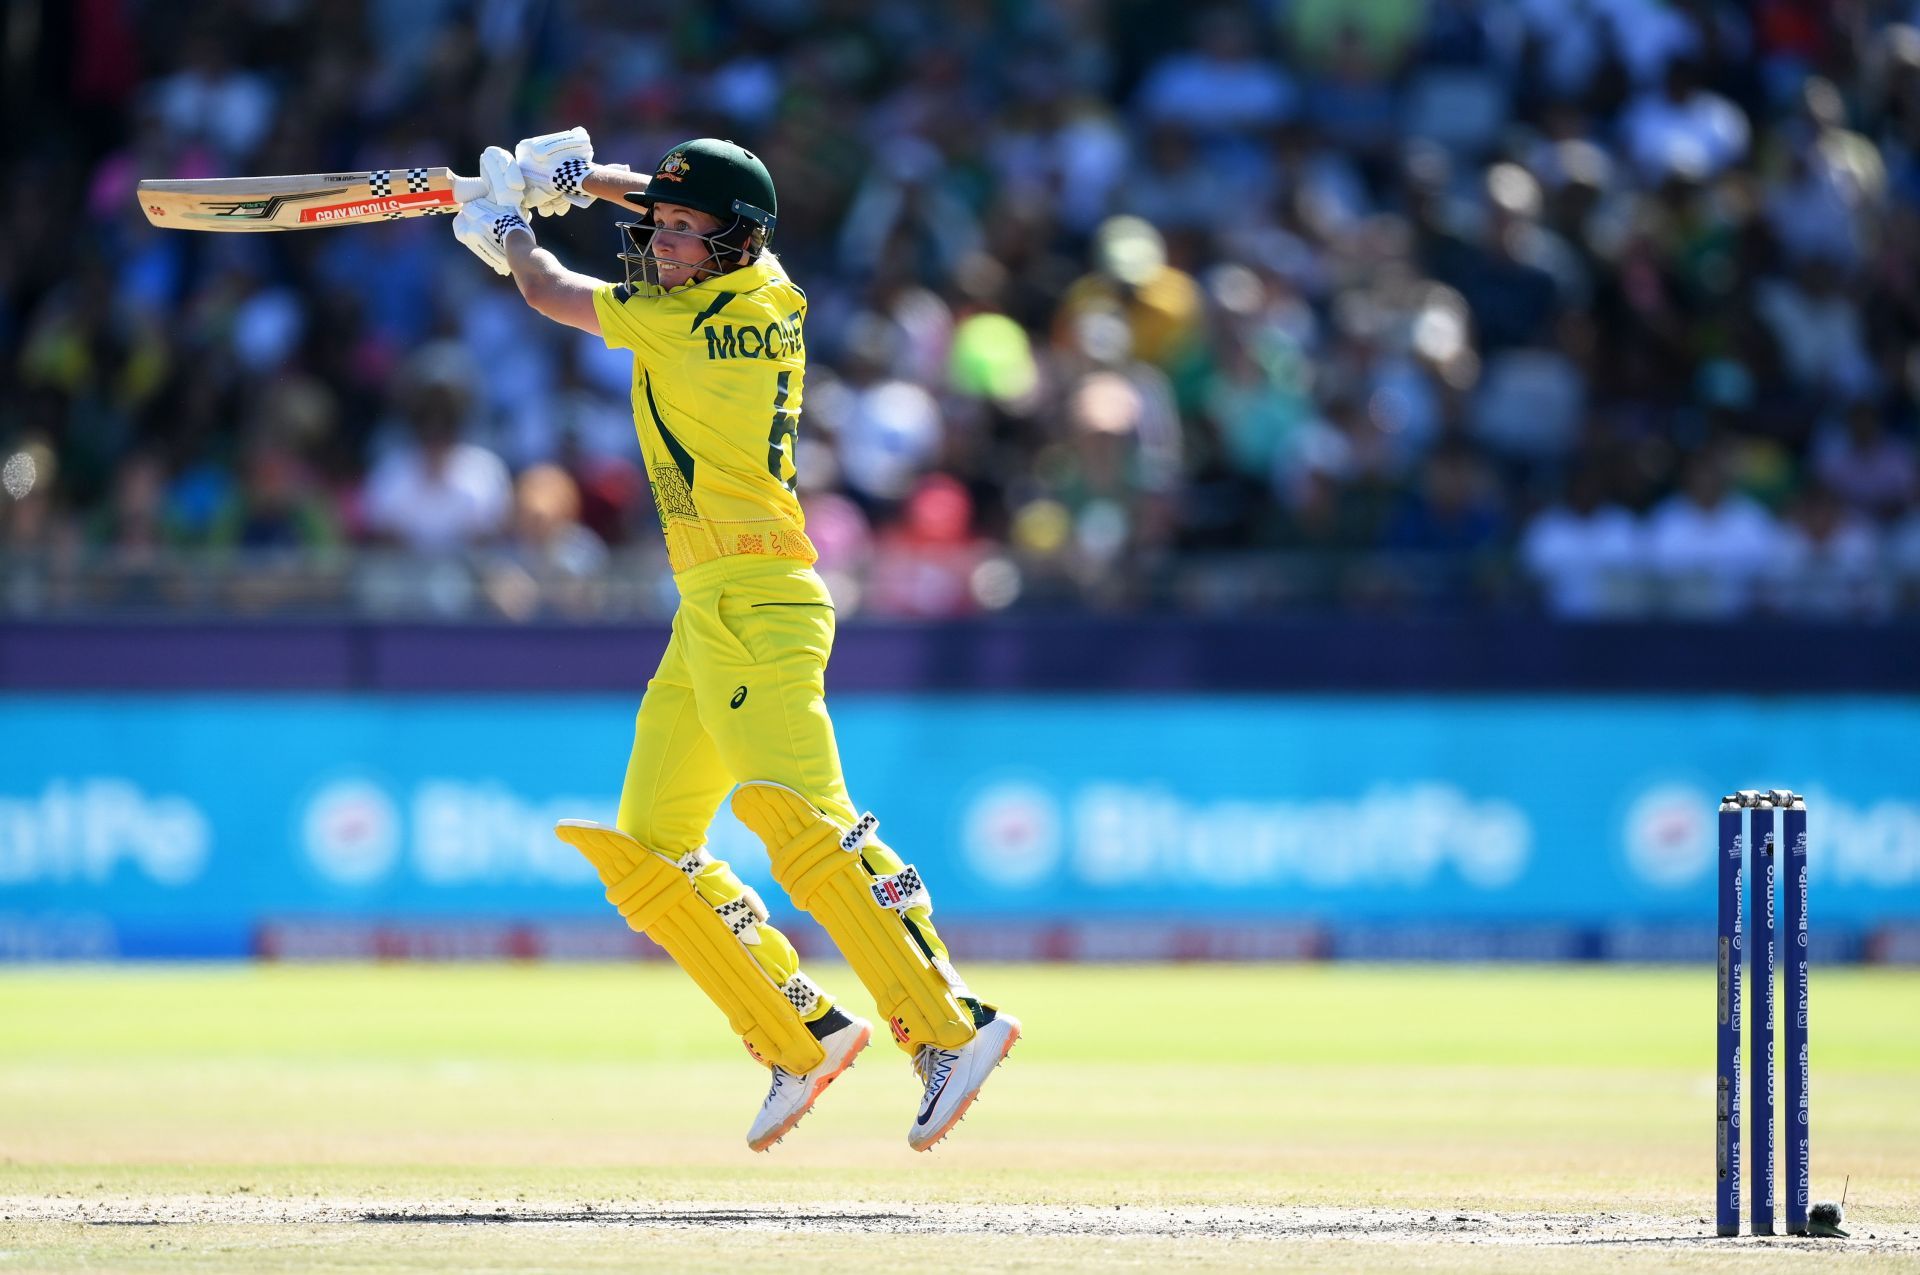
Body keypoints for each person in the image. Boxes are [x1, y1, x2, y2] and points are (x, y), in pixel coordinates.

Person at [450, 129, 1019, 1152]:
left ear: (729, 242)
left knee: (811, 830)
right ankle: (798, 1032)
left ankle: (951, 1025)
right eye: (656, 225)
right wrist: (580, 183)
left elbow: (550, 295)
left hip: (754, 604)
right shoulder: (771, 288)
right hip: (714, 606)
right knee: (652, 847)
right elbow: (686, 203)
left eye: (679, 233)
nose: (660, 243)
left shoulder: (685, 323)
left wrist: (507, 236)